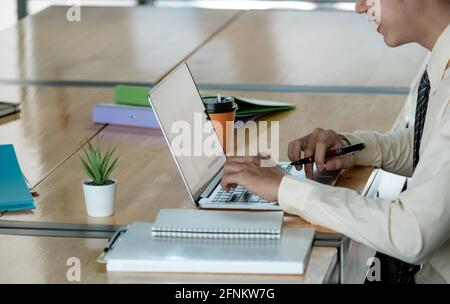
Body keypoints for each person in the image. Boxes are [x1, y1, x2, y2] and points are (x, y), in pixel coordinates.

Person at [220, 0, 450, 284]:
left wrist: (284, 188)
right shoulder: (440, 56)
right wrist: (352, 148)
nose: (360, 6)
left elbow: (413, 234)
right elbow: (431, 149)